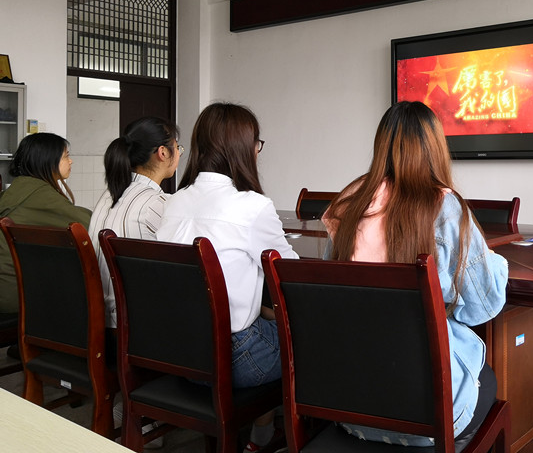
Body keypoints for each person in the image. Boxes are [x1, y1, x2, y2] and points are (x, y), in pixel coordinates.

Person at [322, 100, 509, 447]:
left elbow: (331, 299)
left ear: (381, 146)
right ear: (435, 147)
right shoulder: (444, 207)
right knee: (490, 382)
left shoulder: (348, 205)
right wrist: (494, 262)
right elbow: (483, 305)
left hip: (349, 407)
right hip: (428, 417)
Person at [157, 102, 297, 453]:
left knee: (266, 317)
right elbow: (292, 276)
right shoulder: (252, 205)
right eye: (256, 144)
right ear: (244, 148)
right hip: (235, 360)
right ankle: (284, 437)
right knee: (309, 339)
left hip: (180, 354)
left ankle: (261, 433)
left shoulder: (173, 202)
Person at [89, 117, 182, 328]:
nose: (179, 154)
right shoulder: (157, 204)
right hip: (135, 325)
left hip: (100, 320)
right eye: (178, 148)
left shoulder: (108, 195)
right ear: (163, 153)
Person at [0, 133, 91, 314]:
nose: (71, 161)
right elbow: (90, 224)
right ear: (47, 160)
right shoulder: (41, 195)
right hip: (15, 295)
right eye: (66, 156)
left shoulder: (18, 189)